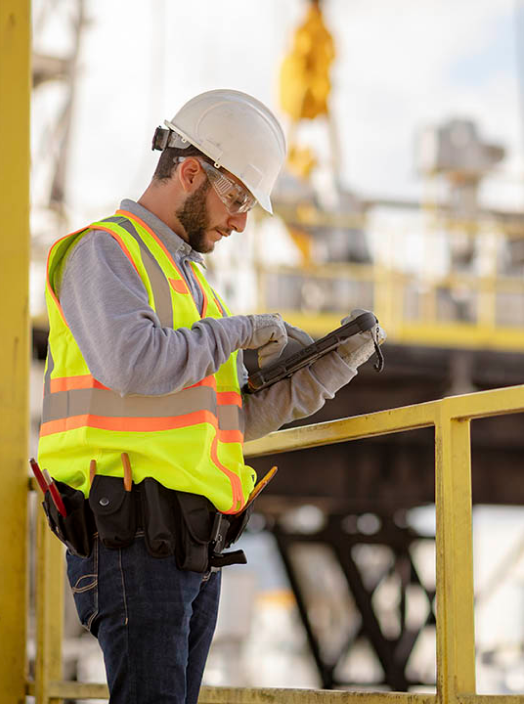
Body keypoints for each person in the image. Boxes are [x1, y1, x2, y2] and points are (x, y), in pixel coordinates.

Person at [38, 89, 385, 704]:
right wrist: (241, 330)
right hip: (132, 544)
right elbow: (134, 363)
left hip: (190, 551)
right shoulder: (104, 252)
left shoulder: (194, 286)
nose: (242, 221)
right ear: (191, 172)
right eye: (238, 198)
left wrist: (326, 371)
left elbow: (231, 418)